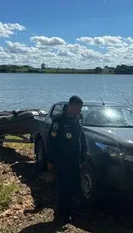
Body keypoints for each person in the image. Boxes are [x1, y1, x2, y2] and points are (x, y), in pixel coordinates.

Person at [47, 95, 88, 224]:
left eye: (80, 108)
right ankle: (61, 215)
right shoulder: (59, 121)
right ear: (70, 106)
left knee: (75, 187)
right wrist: (50, 160)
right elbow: (51, 142)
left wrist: (84, 153)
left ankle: (71, 212)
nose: (79, 111)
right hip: (63, 160)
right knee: (64, 188)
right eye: (77, 108)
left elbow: (81, 137)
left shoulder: (77, 119)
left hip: (76, 160)